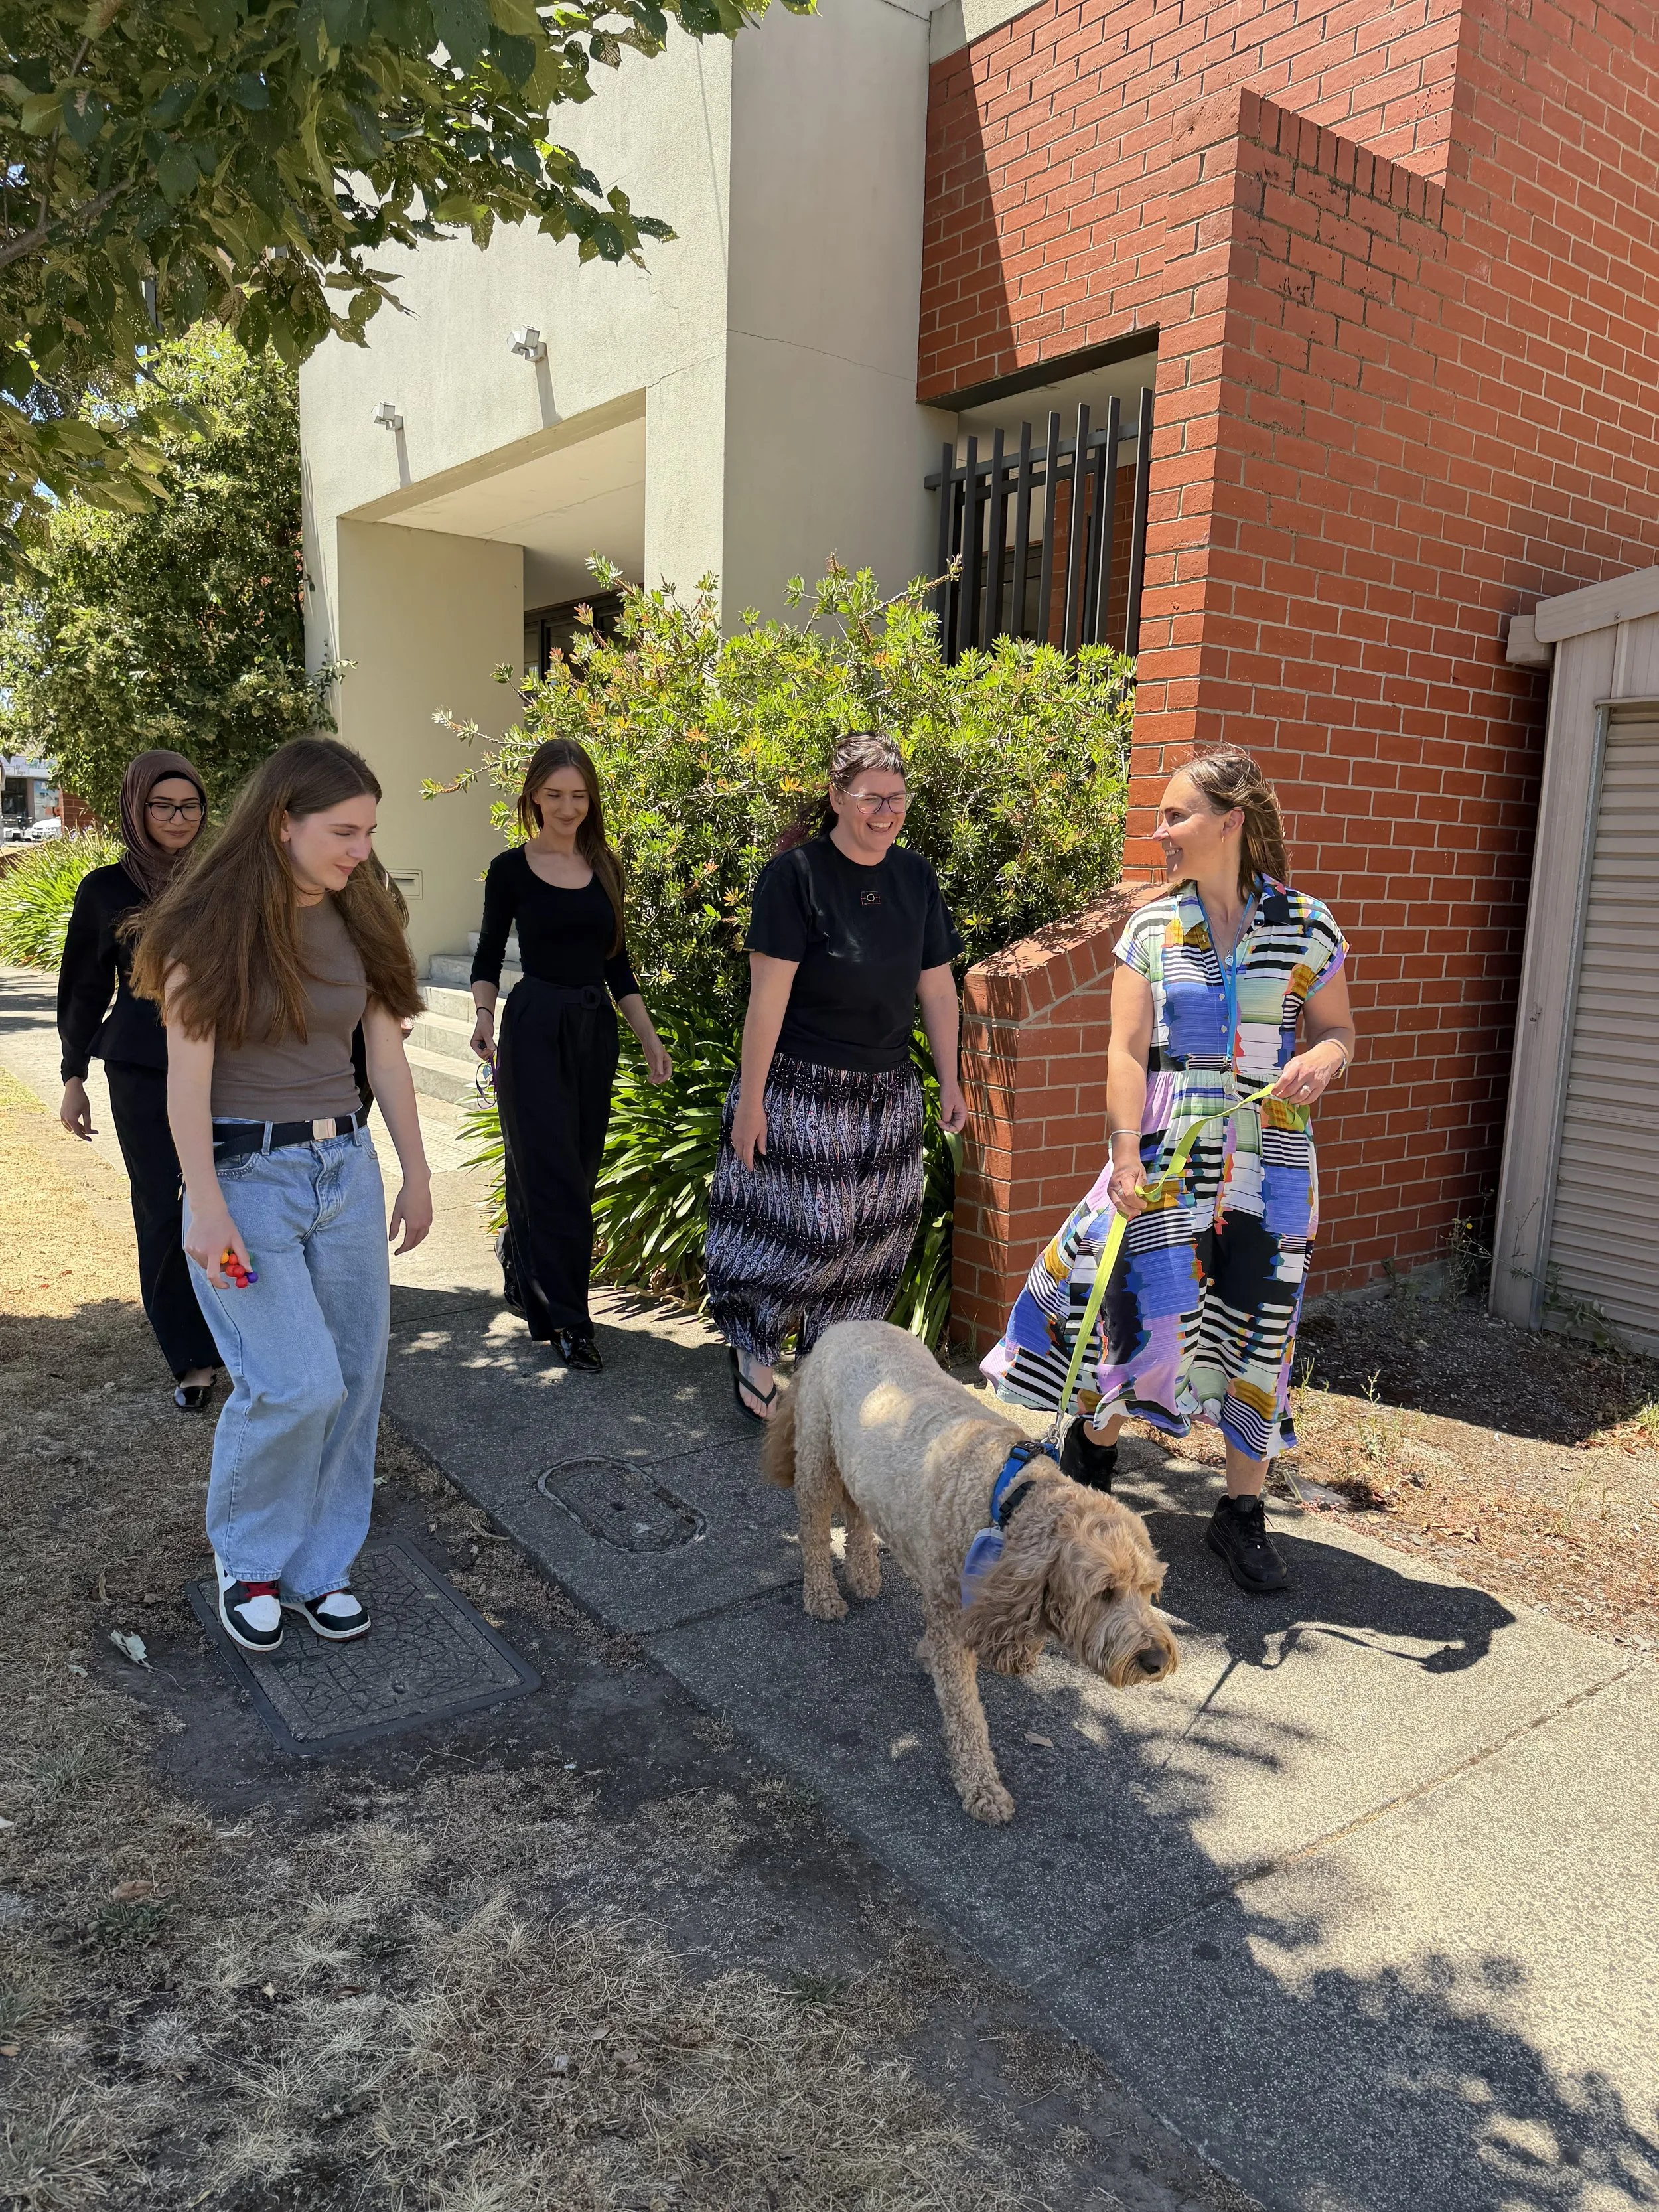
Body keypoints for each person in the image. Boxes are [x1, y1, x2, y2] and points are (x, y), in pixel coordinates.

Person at [981, 746, 1356, 1594]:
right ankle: (1093, 1471)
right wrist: (1121, 1152)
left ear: (1231, 822)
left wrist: (1324, 1060)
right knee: (1133, 1315)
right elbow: (1121, 1050)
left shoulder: (1308, 925)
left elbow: (1340, 1030)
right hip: (1163, 1156)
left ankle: (1241, 1514)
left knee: (1259, 1333)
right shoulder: (1150, 928)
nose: (1159, 833)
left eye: (1175, 816)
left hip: (1274, 1169)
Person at [130, 737, 431, 1656]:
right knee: (294, 1382)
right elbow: (186, 1083)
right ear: (281, 822)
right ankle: (250, 1559)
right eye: (343, 831)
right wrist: (206, 1204)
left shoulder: (365, 918)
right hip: (244, 1188)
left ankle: (318, 1568)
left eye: (370, 833)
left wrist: (417, 1172)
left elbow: (385, 1056)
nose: (359, 851)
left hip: (345, 1173)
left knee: (354, 1381)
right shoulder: (200, 931)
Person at [704, 732, 969, 1423]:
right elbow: (768, 1000)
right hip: (801, 1086)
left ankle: (828, 1367)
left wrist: (951, 1080)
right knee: (808, 1235)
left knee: (876, 1238)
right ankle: (754, 1346)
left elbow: (937, 990)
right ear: (836, 797)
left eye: (898, 798)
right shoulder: (794, 878)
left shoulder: (914, 879)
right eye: (872, 798)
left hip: (886, 1092)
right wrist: (751, 1101)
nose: (887, 812)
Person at [469, 737, 672, 1372]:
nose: (567, 807)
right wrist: (482, 1018)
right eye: (554, 795)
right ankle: (570, 1321)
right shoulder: (509, 869)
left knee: (576, 1171)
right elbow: (487, 956)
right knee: (549, 1168)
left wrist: (646, 1034)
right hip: (533, 1023)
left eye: (578, 795)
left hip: (592, 1030)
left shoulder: (606, 867)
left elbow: (619, 964)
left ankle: (518, 1250)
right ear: (533, 796)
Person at [58, 750, 222, 1410]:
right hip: (142, 1067)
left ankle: (237, 1323)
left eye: (190, 805)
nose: (179, 818)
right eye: (163, 805)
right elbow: (83, 987)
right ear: (136, 808)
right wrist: (73, 1075)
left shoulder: (225, 878)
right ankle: (190, 1356)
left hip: (227, 1062)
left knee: (236, 1198)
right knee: (164, 1204)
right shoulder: (105, 890)